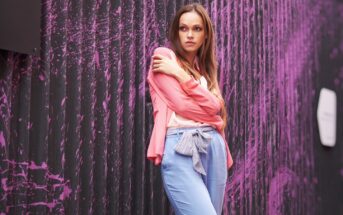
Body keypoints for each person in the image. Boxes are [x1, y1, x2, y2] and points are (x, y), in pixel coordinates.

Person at [146, 3, 233, 215]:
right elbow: (182, 105)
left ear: (206, 35)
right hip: (181, 147)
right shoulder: (164, 58)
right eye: (183, 28)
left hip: (214, 148)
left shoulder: (203, 71)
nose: (190, 35)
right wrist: (211, 111)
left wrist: (181, 75)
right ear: (176, 31)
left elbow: (216, 107)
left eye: (197, 29)